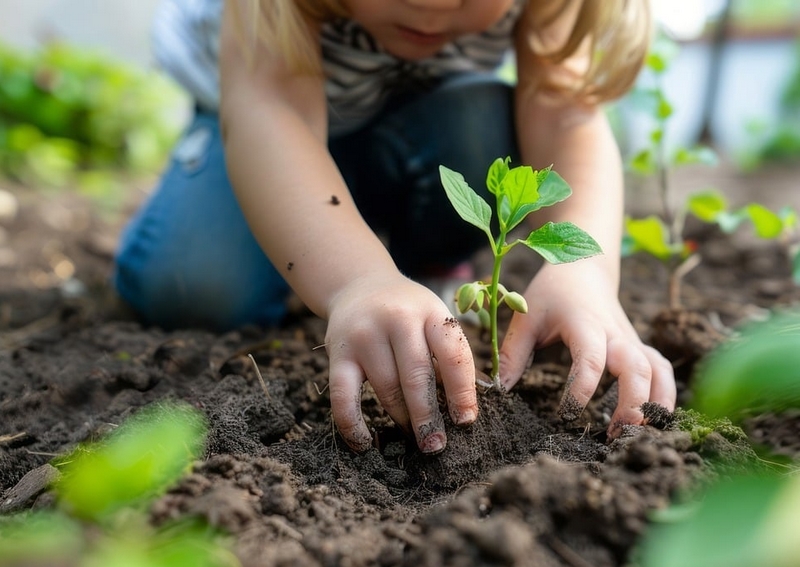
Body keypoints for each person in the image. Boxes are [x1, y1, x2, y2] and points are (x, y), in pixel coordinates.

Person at [114, 0, 676, 455]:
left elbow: (564, 109)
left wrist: (584, 272)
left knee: (479, 128)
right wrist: (354, 281)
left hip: (420, 127)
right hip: (261, 127)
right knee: (193, 285)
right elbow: (270, 109)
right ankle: (322, 248)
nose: (431, 4)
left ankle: (413, 270)